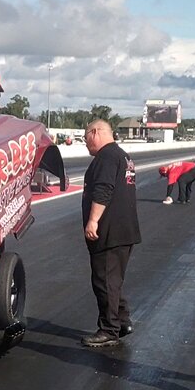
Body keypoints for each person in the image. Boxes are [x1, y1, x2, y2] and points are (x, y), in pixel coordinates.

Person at [80, 119, 141, 347]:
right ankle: (121, 321)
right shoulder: (123, 156)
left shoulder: (106, 157)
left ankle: (108, 329)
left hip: (109, 231)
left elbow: (104, 189)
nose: (85, 143)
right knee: (113, 280)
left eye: (86, 137)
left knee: (104, 281)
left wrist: (93, 220)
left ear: (95, 132)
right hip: (124, 230)